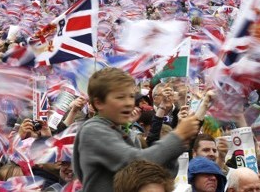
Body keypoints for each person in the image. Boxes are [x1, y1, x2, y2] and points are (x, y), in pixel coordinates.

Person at [72, 67, 201, 192]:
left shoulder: (124, 133)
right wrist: (178, 136)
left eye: (131, 96)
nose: (129, 103)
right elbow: (137, 165)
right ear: (99, 103)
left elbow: (163, 173)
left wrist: (181, 139)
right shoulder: (93, 131)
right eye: (120, 97)